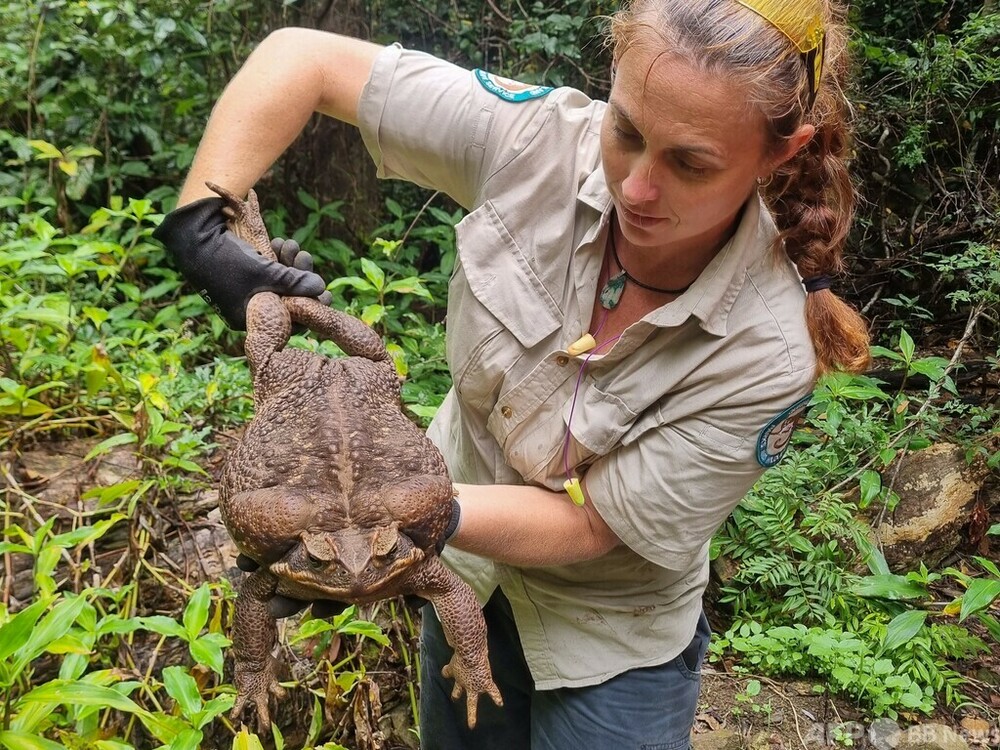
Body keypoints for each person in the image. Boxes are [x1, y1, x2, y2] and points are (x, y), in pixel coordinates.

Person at [153, 0, 871, 747]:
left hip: (607, 636)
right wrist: (202, 229)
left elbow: (593, 523)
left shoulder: (769, 349)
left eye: (691, 163)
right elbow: (304, 59)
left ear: (780, 155)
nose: (635, 187)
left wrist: (385, 522)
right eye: (626, 130)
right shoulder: (537, 141)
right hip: (462, 579)